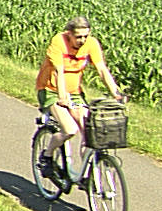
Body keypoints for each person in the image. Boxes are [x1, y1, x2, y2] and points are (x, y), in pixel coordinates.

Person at [36, 16, 125, 178]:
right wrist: (63, 98)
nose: (82, 40)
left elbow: (101, 69)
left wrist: (116, 93)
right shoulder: (59, 42)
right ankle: (47, 156)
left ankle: (88, 176)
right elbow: (59, 71)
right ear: (69, 34)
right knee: (69, 129)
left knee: (90, 132)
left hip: (75, 92)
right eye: (78, 37)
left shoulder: (91, 43)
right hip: (51, 90)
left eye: (85, 36)